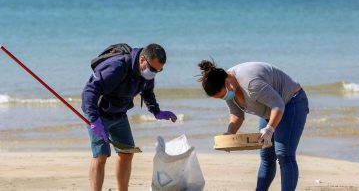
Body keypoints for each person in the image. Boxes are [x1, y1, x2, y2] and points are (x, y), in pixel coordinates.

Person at [198, 60, 309, 191]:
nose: (225, 98)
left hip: (292, 102)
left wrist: (269, 129)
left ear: (227, 84)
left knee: (284, 154)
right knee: (266, 156)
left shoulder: (251, 84)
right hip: (270, 110)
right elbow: (236, 114)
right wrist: (230, 133)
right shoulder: (229, 88)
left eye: (223, 95)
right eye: (220, 98)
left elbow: (278, 104)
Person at [81, 43, 177, 191]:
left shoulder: (147, 72)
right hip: (98, 113)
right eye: (152, 69)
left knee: (127, 153)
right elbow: (89, 91)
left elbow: (147, 93)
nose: (154, 73)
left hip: (119, 113)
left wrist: (156, 111)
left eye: (159, 70)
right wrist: (94, 120)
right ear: (142, 59)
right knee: (101, 155)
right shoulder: (116, 67)